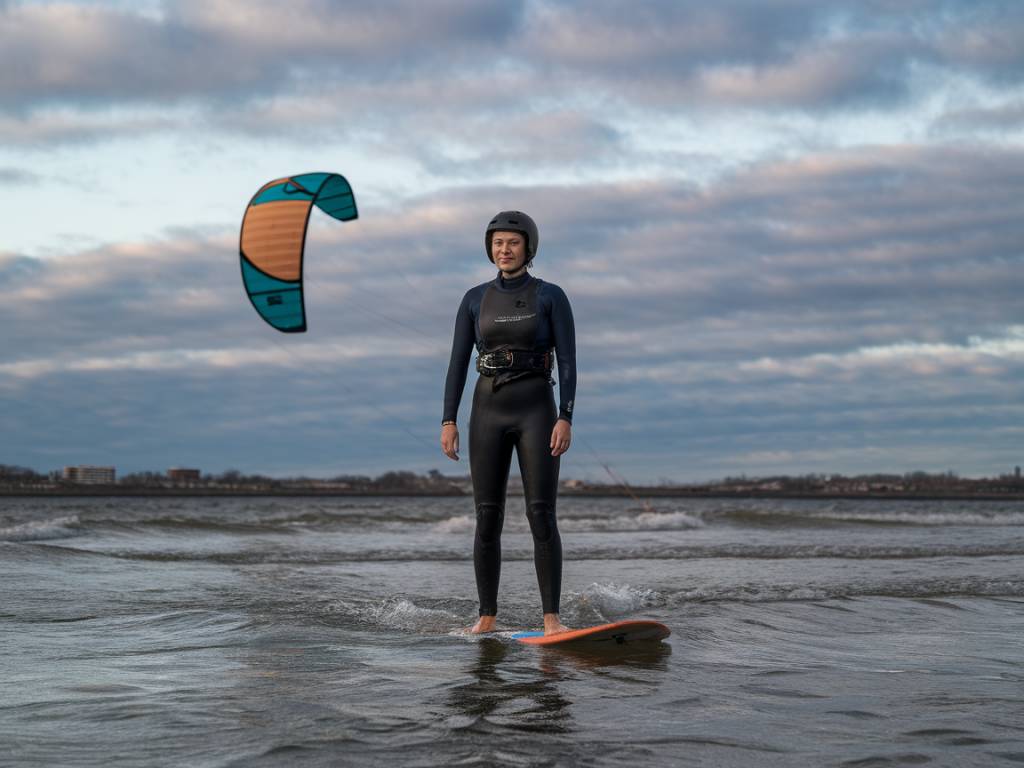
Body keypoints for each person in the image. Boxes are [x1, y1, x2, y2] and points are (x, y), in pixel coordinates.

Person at [441, 211, 576, 636]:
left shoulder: (550, 296)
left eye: (513, 243)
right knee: (487, 517)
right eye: (498, 243)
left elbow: (569, 362)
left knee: (541, 513)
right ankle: (487, 617)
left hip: (537, 409)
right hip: (487, 410)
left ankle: (551, 619)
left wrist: (565, 416)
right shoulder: (474, 299)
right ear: (490, 248)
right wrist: (448, 419)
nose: (505, 250)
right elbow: (457, 364)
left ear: (528, 247)